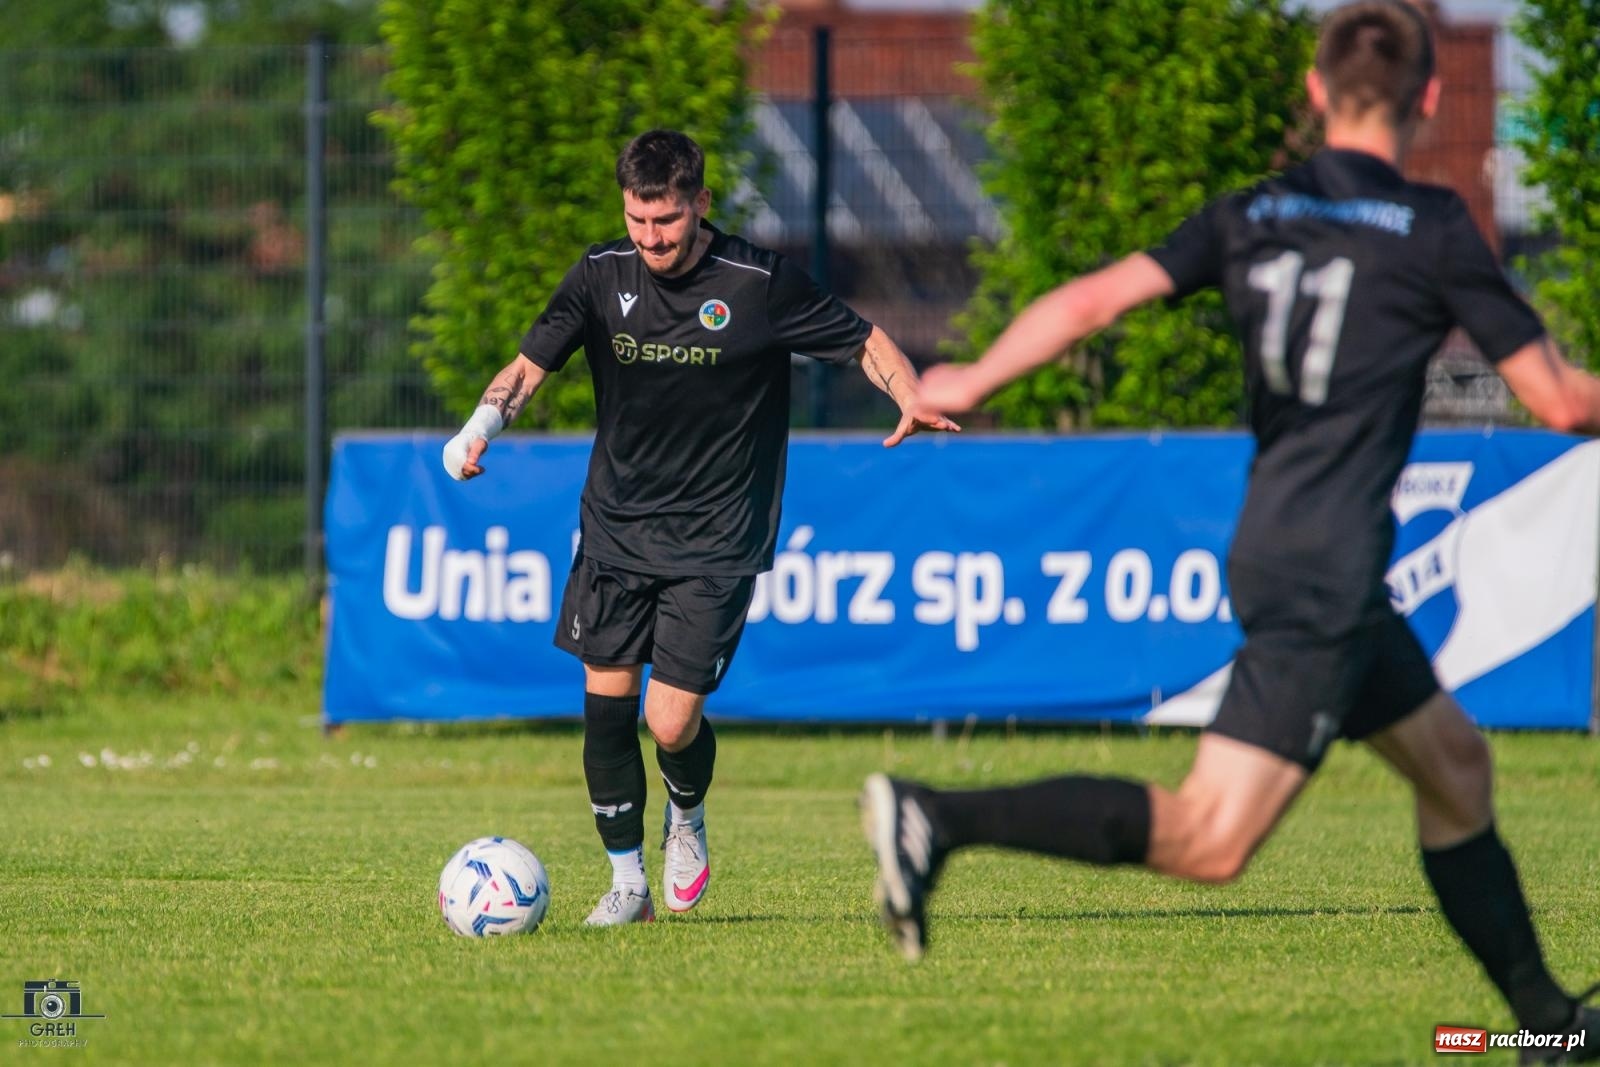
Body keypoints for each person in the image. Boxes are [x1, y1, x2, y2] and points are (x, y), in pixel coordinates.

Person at [862, 2, 1595, 1059]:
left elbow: (1095, 300)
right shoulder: (1433, 227)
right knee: (1211, 835)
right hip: (1329, 572)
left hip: (1283, 547)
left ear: (1315, 90)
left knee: (1455, 766)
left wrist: (970, 376)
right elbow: (1561, 399)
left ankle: (1550, 1026)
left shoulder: (1255, 210)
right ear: (1430, 98)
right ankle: (938, 817)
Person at [442, 129, 958, 926]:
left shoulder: (758, 284)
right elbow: (528, 367)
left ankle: (686, 812)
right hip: (615, 526)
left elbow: (862, 340)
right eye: (638, 220)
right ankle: (628, 886)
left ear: (700, 204)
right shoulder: (600, 273)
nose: (651, 238)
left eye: (667, 222)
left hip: (718, 535)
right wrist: (479, 427)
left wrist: (908, 392)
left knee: (670, 719)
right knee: (605, 708)